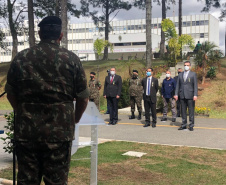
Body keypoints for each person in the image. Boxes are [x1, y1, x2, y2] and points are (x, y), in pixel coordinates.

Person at [5, 16, 89, 184]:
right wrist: (74, 120)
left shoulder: (21, 58)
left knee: (26, 181)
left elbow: (11, 93)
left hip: (27, 132)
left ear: (39, 33)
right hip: (59, 133)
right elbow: (83, 98)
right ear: (61, 36)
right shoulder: (71, 59)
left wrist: (23, 112)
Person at [174, 61, 198, 131]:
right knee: (183, 111)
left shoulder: (193, 74)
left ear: (190, 66)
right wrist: (176, 94)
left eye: (187, 65)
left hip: (190, 95)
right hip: (182, 95)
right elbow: (178, 85)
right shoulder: (180, 74)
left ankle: (191, 125)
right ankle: (184, 124)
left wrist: (195, 95)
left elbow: (195, 85)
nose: (186, 66)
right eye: (185, 65)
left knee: (191, 111)